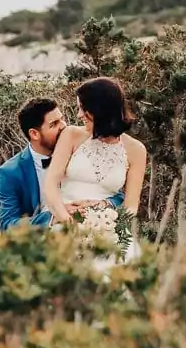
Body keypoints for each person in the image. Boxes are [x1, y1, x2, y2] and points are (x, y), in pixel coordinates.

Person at [41, 77, 146, 253]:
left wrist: (107, 219)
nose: (79, 115)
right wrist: (68, 222)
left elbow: (131, 207)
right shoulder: (71, 135)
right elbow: (50, 184)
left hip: (107, 227)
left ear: (101, 109)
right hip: (64, 220)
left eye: (84, 109)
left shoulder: (136, 150)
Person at [0, 96, 124, 231]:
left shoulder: (82, 149)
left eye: (62, 118)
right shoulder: (9, 172)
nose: (63, 125)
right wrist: (53, 217)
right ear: (34, 134)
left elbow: (116, 192)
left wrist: (104, 204)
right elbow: (8, 225)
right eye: (54, 124)